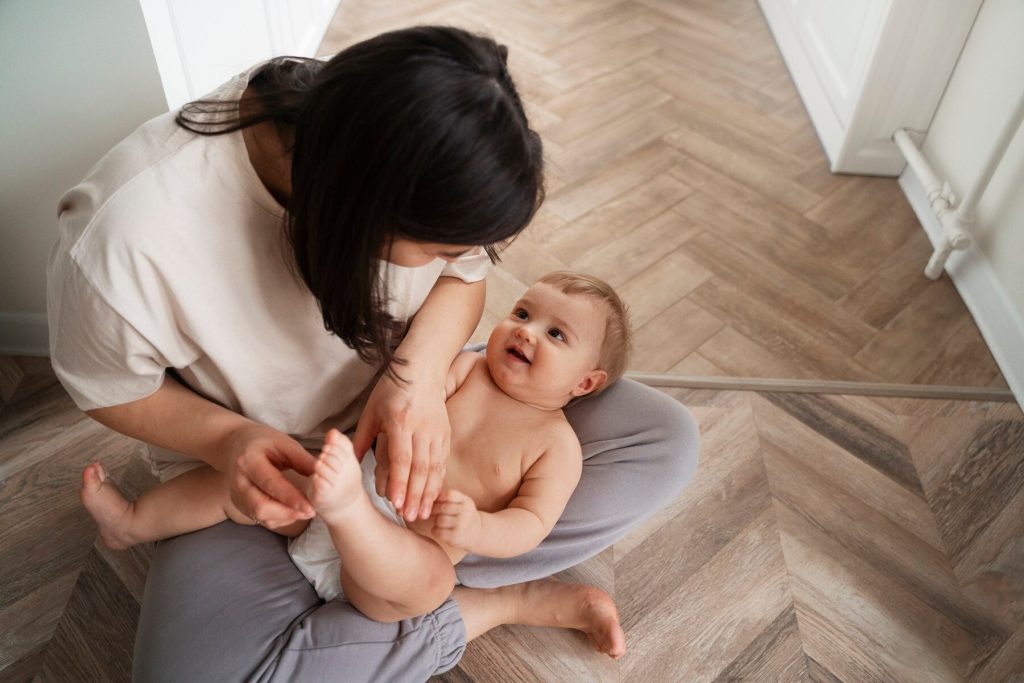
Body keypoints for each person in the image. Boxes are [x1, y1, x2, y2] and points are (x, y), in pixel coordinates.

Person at [48, 25, 699, 682]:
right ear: (360, 212)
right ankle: (484, 603)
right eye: (440, 247)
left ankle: (441, 590)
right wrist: (229, 439)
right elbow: (109, 387)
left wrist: (415, 378)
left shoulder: (395, 121)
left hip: (421, 466)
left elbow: (464, 279)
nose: (460, 260)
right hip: (268, 473)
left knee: (666, 439)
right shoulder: (121, 244)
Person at [79, 271, 632, 657]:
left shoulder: (557, 447)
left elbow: (532, 525)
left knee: (434, 583)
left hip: (394, 564)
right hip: (334, 496)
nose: (525, 331)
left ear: (585, 383)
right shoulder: (470, 370)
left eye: (555, 334)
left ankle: (349, 514)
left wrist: (480, 527)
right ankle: (133, 522)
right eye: (523, 312)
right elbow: (422, 389)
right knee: (250, 478)